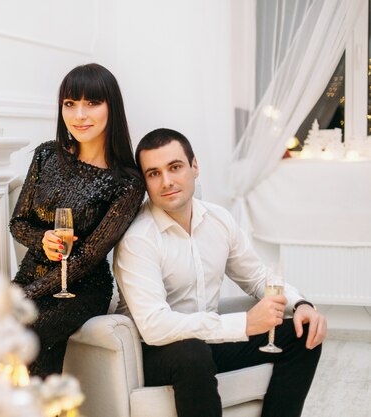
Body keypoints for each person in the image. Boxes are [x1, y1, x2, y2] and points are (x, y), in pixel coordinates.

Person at [114, 128, 327, 417]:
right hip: (155, 352)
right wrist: (245, 325)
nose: (166, 181)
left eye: (175, 167)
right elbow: (155, 326)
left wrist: (300, 303)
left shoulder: (218, 220)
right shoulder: (139, 239)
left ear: (194, 166)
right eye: (154, 174)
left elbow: (256, 276)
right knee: (192, 352)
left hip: (208, 342)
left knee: (303, 334)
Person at [9, 63, 145, 378]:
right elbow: (18, 223)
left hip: (82, 290)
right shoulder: (46, 155)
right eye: (70, 104)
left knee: (29, 336)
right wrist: (40, 241)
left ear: (112, 107)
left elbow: (84, 259)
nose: (79, 115)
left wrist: (23, 297)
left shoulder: (127, 182)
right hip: (30, 277)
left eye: (91, 103)